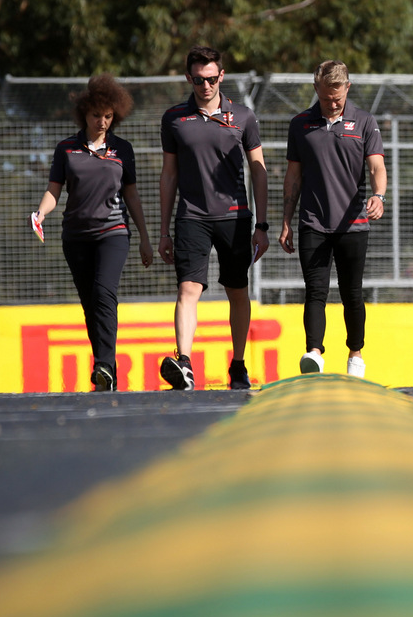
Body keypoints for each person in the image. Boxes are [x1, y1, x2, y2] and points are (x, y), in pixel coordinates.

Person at [157, 45, 269, 390]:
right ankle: (185, 363)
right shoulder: (174, 118)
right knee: (188, 288)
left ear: (221, 76)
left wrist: (262, 225)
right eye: (197, 79)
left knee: (237, 290)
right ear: (189, 78)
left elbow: (259, 170)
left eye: (210, 78)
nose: (204, 86)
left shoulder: (244, 117)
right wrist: (163, 230)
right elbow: (169, 175)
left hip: (235, 217)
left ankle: (238, 365)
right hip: (191, 216)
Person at [32, 75, 153, 392]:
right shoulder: (66, 150)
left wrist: (144, 237)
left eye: (109, 116)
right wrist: (41, 212)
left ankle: (103, 364)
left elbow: (132, 196)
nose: (103, 121)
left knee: (104, 293)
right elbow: (53, 192)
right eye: (97, 115)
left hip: (113, 232)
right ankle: (106, 371)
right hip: (75, 237)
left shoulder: (122, 149)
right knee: (90, 303)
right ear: (84, 114)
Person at [279, 60, 386, 378]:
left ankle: (355, 354)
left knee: (352, 291)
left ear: (347, 88)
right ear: (316, 90)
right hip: (313, 223)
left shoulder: (365, 122)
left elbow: (377, 167)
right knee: (314, 290)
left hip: (353, 223)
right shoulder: (300, 124)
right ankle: (314, 353)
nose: (332, 103)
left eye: (337, 97)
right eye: (326, 97)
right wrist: (286, 220)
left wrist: (378, 196)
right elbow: (293, 176)